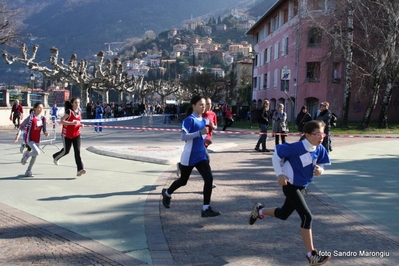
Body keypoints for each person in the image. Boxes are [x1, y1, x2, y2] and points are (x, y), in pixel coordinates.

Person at [248, 120, 331, 266]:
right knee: (307, 216)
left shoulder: (320, 149)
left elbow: (322, 164)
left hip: (302, 186)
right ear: (307, 135)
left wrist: (320, 170)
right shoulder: (296, 147)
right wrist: (279, 174)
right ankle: (311, 255)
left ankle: (259, 210)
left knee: (283, 214)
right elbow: (276, 155)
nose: (320, 137)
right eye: (317, 134)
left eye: (322, 134)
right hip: (290, 185)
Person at [162, 96, 221, 217]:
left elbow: (205, 133)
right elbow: (183, 137)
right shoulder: (189, 120)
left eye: (204, 105)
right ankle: (167, 193)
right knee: (183, 181)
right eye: (200, 104)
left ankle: (206, 208)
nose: (203, 107)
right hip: (189, 156)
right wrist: (200, 133)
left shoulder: (203, 119)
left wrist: (206, 139)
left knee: (209, 179)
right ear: (193, 105)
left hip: (200, 156)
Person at [52, 97, 86, 177]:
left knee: (77, 152)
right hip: (66, 135)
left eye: (78, 103)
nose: (77, 104)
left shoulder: (79, 112)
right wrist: (72, 123)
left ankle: (80, 170)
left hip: (76, 135)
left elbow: (77, 122)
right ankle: (55, 157)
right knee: (66, 151)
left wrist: (80, 125)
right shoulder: (69, 112)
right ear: (72, 104)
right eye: (75, 103)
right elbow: (61, 121)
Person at [14, 102, 50, 177]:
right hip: (29, 139)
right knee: (37, 152)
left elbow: (44, 129)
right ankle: (27, 155)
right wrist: (17, 136)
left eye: (42, 108)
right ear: (35, 108)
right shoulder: (31, 117)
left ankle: (28, 170)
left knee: (35, 156)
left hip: (37, 139)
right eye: (39, 107)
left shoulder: (43, 118)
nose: (40, 109)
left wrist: (46, 133)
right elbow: (21, 126)